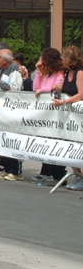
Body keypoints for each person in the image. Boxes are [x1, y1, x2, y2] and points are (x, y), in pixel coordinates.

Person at [28, 48, 66, 186]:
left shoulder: (60, 73)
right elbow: (35, 88)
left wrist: (43, 90)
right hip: (45, 115)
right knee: (45, 140)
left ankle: (59, 173)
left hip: (56, 114)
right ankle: (46, 171)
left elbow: (56, 87)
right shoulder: (46, 74)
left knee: (56, 141)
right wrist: (38, 71)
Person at [0, 49, 23, 181]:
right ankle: (6, 167)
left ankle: (15, 170)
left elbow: (14, 88)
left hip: (13, 110)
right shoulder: (1, 70)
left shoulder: (15, 70)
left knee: (12, 139)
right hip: (2, 110)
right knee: (3, 140)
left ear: (5, 60)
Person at [52, 46, 83, 190]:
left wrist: (64, 102)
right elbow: (64, 88)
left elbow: (80, 94)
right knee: (70, 145)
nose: (61, 59)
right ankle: (77, 175)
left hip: (78, 116)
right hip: (69, 117)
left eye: (63, 57)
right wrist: (56, 88)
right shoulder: (66, 71)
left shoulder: (80, 72)